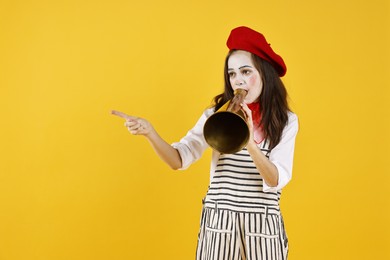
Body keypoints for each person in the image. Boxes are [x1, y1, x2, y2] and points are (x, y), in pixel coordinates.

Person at [112, 26, 298, 260]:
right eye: (232, 74)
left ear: (264, 73)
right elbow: (179, 160)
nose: (238, 81)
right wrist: (150, 133)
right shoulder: (216, 114)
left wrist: (249, 142)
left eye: (245, 71)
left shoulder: (286, 121)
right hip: (220, 223)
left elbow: (275, 180)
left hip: (262, 224)